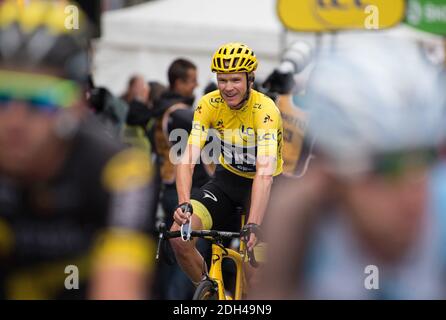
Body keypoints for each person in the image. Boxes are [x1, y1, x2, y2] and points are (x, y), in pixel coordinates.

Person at [254, 36, 446, 299]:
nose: (412, 197)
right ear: (332, 178)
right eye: (385, 170)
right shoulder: (303, 220)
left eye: (426, 162)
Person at [0, 0, 156, 299]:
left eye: (39, 102)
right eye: (3, 97)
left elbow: (119, 288)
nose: (14, 121)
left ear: (77, 104)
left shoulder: (118, 170)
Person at [169, 43, 283, 289]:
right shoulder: (208, 103)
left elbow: (264, 173)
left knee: (257, 273)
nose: (228, 87)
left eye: (235, 80)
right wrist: (183, 202)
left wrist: (253, 224)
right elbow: (187, 158)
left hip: (264, 186)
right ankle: (211, 291)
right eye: (222, 80)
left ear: (249, 79)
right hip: (226, 182)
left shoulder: (265, 110)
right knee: (179, 236)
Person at [152, 58, 213, 300]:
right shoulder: (179, 113)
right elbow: (207, 131)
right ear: (178, 82)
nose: (196, 86)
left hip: (167, 186)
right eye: (192, 81)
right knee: (186, 258)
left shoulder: (161, 107)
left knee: (171, 257)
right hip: (182, 191)